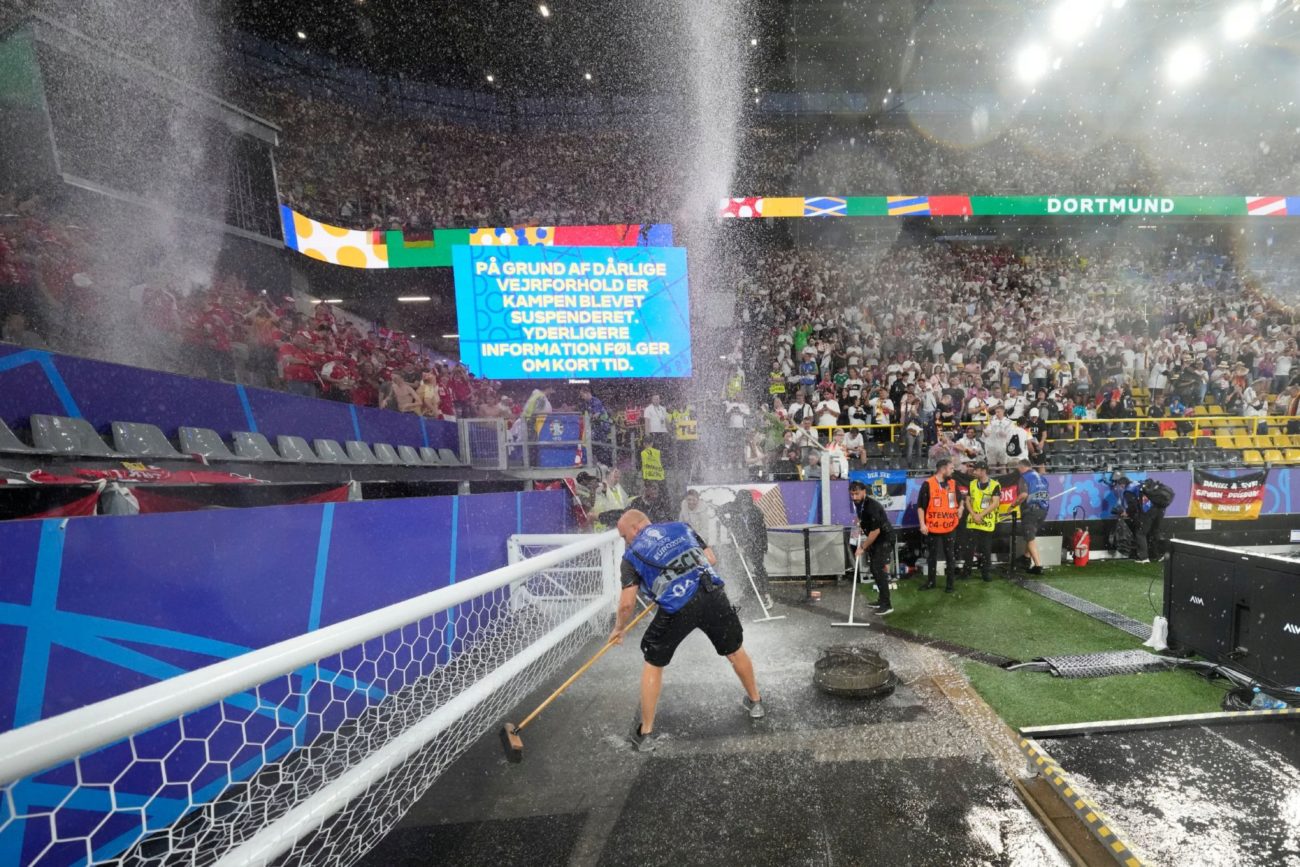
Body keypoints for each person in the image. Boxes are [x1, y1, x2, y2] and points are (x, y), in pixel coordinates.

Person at [612, 510, 765, 752]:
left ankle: (647, 733)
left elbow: (627, 604)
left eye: (624, 535)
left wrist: (618, 629)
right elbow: (710, 559)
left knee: (653, 662)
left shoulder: (631, 556)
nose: (625, 541)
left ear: (635, 528)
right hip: (712, 594)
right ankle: (756, 702)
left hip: (677, 608)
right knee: (735, 651)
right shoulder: (681, 527)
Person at [916, 458, 964, 593]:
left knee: (950, 556)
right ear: (943, 469)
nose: (952, 471)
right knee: (932, 556)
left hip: (950, 527)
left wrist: (960, 508)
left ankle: (950, 585)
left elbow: (961, 500)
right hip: (933, 528)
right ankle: (931, 582)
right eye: (951, 468)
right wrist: (922, 525)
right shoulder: (928, 484)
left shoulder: (953, 483)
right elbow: (921, 507)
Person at [848, 480, 894, 614]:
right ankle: (881, 600)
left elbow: (876, 531)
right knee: (874, 569)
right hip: (876, 539)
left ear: (864, 492)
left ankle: (887, 605)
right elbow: (863, 519)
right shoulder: (859, 504)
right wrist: (860, 523)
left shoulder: (872, 506)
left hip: (885, 538)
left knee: (877, 568)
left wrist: (862, 547)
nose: (854, 497)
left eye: (857, 494)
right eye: (852, 494)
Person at [727, 490, 772, 609]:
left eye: (746, 504)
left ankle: (767, 596)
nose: (744, 507)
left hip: (757, 544)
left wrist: (745, 547)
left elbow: (757, 535)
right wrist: (726, 523)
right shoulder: (734, 509)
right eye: (742, 504)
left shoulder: (756, 513)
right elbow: (720, 510)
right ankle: (738, 595)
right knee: (739, 568)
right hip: (740, 543)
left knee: (759, 569)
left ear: (750, 503)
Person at [1111, 474, 1167, 563]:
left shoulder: (1128, 490)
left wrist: (1127, 512)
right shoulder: (1138, 483)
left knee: (1140, 533)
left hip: (1148, 511)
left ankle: (1144, 558)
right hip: (1160, 509)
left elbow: (1133, 506)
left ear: (1122, 485)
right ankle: (1160, 555)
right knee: (1155, 531)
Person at [961, 461, 1001, 582]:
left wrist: (980, 515)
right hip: (973, 521)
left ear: (983, 471)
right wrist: (974, 514)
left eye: (976, 470)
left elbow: (995, 503)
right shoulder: (972, 484)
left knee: (986, 549)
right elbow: (967, 500)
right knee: (969, 548)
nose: (974, 472)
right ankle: (966, 571)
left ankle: (985, 573)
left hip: (986, 523)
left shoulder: (994, 485)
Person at [1015, 458, 1050, 575]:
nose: (1018, 471)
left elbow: (1023, 495)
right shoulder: (1041, 477)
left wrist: (1013, 505)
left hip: (1030, 511)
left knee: (1030, 537)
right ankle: (1025, 557)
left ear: (1021, 467)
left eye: (1018, 468)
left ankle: (1038, 566)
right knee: (1030, 535)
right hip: (1043, 511)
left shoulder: (1024, 477)